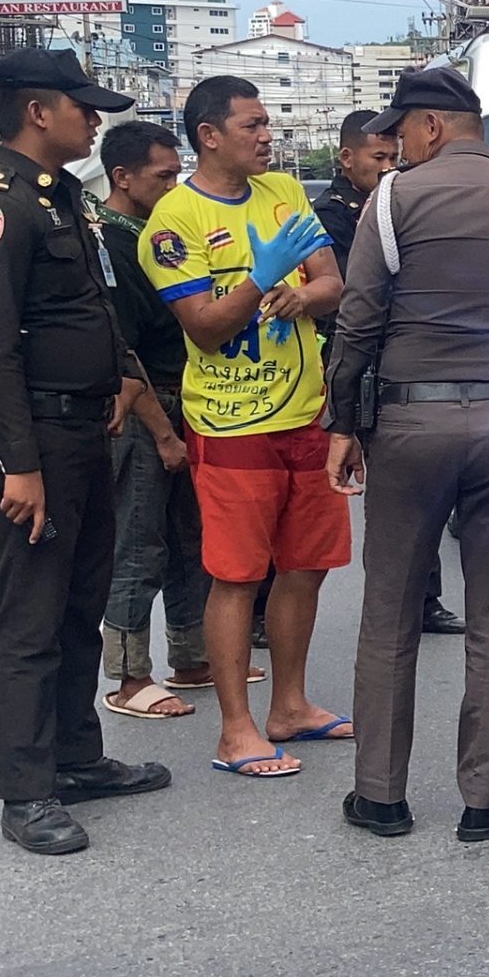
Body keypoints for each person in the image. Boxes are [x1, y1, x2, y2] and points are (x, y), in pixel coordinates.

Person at [324, 67, 489, 843]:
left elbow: (358, 321)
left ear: (435, 126)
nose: (395, 142)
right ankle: (486, 799)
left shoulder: (393, 201)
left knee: (389, 610)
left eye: (401, 129)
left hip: (408, 430)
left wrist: (344, 423)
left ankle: (379, 796)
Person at [0, 49, 171, 855]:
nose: (94, 118)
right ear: (40, 112)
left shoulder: (62, 198)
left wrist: (119, 372)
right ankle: (26, 792)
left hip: (84, 427)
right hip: (35, 438)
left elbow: (92, 304)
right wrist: (20, 466)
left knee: (82, 603)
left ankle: (79, 758)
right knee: (30, 620)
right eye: (83, 107)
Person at [139, 74, 353, 780]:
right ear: (209, 135)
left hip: (307, 413)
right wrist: (260, 279)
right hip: (232, 425)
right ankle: (236, 731)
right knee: (236, 576)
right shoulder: (174, 220)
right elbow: (202, 329)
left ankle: (289, 707)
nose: (268, 137)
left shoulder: (286, 195)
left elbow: (332, 285)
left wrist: (302, 291)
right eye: (253, 125)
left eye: (268, 125)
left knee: (305, 566)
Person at [92, 120, 256, 718]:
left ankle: (191, 655)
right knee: (140, 540)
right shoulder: (110, 242)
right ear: (123, 177)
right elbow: (124, 349)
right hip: (145, 407)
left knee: (193, 536)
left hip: (187, 400)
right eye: (162, 175)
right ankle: (130, 677)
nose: (174, 184)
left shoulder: (155, 231)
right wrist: (161, 432)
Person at [316, 107, 464, 638]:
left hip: (405, 356)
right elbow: (350, 299)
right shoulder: (330, 215)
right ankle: (392, 604)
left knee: (421, 489)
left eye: (394, 156)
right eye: (378, 157)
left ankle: (426, 600)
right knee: (387, 500)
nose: (387, 166)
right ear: (346, 157)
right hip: (355, 354)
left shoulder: (405, 200)